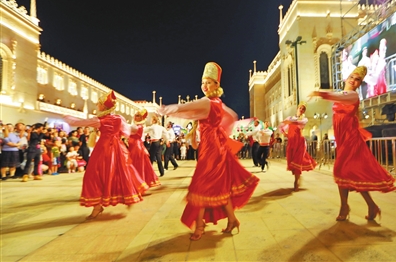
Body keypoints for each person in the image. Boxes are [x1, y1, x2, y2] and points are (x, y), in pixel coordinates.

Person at [159, 62, 259, 241]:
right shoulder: (218, 103)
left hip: (212, 150)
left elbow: (185, 108)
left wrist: (166, 110)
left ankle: (199, 226)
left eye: (208, 82)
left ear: (216, 85)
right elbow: (231, 117)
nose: (204, 85)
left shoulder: (208, 102)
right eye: (202, 82)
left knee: (201, 187)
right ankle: (232, 220)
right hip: (213, 147)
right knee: (218, 188)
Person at [308, 66, 396, 221]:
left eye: (358, 80)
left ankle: (345, 206)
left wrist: (318, 93)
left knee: (343, 170)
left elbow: (338, 97)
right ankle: (370, 205)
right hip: (343, 139)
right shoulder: (344, 94)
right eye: (353, 77)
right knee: (351, 174)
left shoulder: (352, 95)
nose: (354, 81)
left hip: (350, 140)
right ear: (347, 77)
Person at [64, 91, 148, 220]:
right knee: (120, 173)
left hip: (103, 149)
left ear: (104, 106)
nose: (97, 104)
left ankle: (98, 206)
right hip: (117, 148)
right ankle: (126, 197)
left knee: (93, 175)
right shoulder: (119, 118)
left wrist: (66, 117)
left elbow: (77, 123)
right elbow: (129, 131)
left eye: (99, 103)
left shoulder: (99, 120)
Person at [279, 102, 317, 191]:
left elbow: (298, 122)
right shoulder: (290, 118)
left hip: (300, 143)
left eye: (303, 109)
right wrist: (284, 132)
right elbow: (282, 127)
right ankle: (298, 177)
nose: (301, 110)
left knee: (297, 162)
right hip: (291, 143)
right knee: (291, 164)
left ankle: (296, 181)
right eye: (300, 108)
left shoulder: (304, 119)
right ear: (297, 108)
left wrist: (288, 122)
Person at [128, 109, 160, 188]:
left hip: (136, 147)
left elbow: (127, 129)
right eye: (136, 115)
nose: (135, 116)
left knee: (135, 165)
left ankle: (137, 183)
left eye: (138, 115)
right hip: (136, 145)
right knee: (139, 164)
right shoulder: (138, 126)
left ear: (141, 118)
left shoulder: (137, 127)